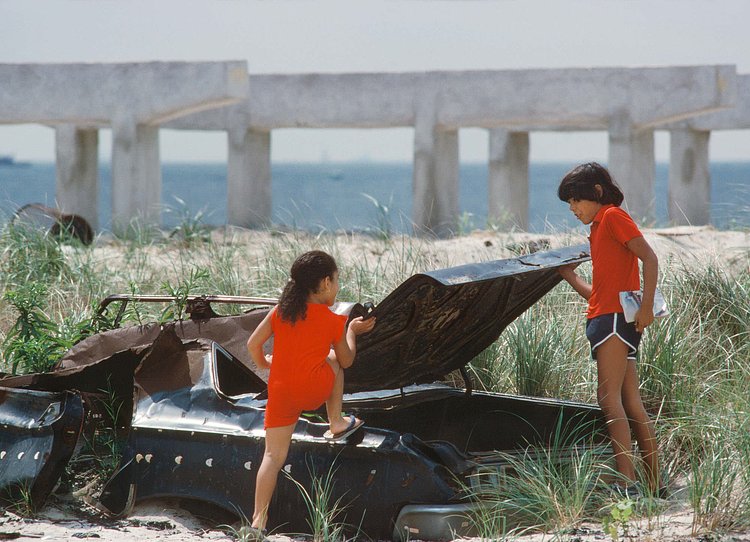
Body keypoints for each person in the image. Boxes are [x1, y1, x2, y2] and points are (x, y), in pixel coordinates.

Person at [246, 250, 376, 533]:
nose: (337, 287)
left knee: (272, 457)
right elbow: (347, 360)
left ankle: (258, 521)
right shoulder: (332, 320)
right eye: (337, 281)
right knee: (333, 360)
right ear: (326, 282)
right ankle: (336, 421)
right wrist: (352, 331)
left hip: (281, 393)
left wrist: (265, 363)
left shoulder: (280, 312)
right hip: (312, 392)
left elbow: (252, 345)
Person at [556, 162, 660, 497]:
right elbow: (599, 294)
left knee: (608, 399)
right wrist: (570, 276)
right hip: (610, 317)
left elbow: (650, 258)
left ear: (597, 192)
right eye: (569, 203)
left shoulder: (612, 216)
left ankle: (626, 483)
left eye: (576, 200)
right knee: (630, 401)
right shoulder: (598, 228)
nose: (573, 208)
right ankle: (654, 484)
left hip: (615, 320)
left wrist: (646, 307)